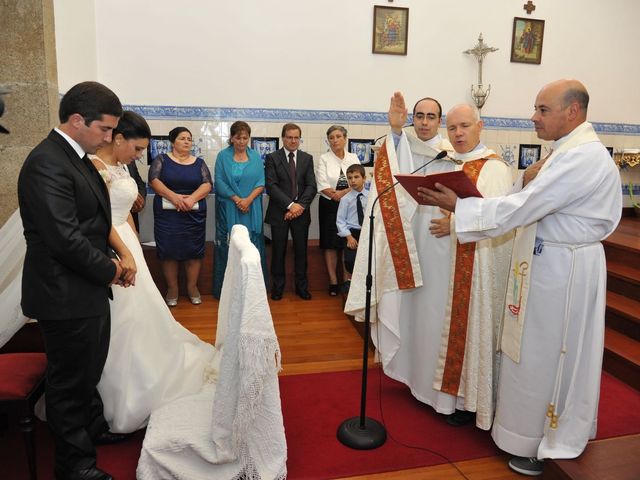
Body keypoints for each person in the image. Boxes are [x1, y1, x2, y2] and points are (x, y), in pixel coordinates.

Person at [417, 79, 622, 476]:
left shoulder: (583, 157)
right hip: (543, 263)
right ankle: (521, 431)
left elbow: (524, 208)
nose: (534, 117)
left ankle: (547, 439)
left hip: (565, 271)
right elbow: (523, 199)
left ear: (572, 112)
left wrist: (461, 210)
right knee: (527, 351)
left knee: (548, 354)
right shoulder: (565, 154)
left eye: (543, 110)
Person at [346, 95, 514, 431]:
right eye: (453, 127)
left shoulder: (493, 167)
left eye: (464, 126)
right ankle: (427, 388)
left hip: (470, 271)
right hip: (438, 266)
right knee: (433, 327)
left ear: (479, 127)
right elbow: (399, 167)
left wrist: (455, 223)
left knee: (459, 332)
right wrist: (395, 130)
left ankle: (462, 400)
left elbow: (499, 217)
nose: (458, 133)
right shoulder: (444, 158)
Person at [17, 81, 125, 480]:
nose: (110, 137)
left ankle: (92, 428)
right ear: (77, 120)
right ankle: (74, 466)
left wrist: (111, 261)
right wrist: (111, 268)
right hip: (63, 293)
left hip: (84, 288)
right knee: (68, 384)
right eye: (105, 129)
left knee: (88, 371)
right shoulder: (47, 161)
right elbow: (65, 238)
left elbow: (91, 223)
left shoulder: (76, 156)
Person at [89, 111, 216, 435]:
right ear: (118, 139)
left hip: (127, 241)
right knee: (121, 319)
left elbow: (125, 213)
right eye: (137, 148)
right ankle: (120, 392)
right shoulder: (93, 168)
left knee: (145, 314)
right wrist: (122, 252)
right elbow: (99, 219)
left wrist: (135, 250)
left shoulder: (120, 166)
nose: (140, 156)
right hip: (108, 245)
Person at [149, 126, 212, 306]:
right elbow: (154, 180)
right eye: (182, 138)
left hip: (194, 214)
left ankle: (192, 287)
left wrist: (191, 199)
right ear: (173, 141)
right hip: (167, 214)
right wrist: (175, 198)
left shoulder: (199, 163)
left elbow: (207, 184)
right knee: (169, 251)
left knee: (194, 251)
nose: (187, 142)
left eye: (189, 139)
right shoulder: (161, 160)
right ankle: (172, 288)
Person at [213, 120, 267, 298]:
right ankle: (228, 291)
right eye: (238, 138)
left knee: (252, 246)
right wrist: (238, 200)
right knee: (229, 246)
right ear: (232, 138)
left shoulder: (255, 157)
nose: (242, 141)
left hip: (251, 210)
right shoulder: (223, 156)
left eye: (245, 138)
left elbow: (261, 183)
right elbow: (219, 182)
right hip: (229, 208)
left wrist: (248, 200)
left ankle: (252, 290)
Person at [264, 123, 317, 301]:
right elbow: (271, 186)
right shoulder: (272, 157)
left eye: (296, 137)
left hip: (301, 213)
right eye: (289, 137)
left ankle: (301, 287)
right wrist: (290, 205)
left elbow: (311, 186)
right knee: (278, 251)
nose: (293, 141)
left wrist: (298, 206)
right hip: (279, 212)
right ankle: (278, 288)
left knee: (301, 251)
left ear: (299, 139)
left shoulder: (307, 158)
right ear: (283, 138)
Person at [316, 125, 360, 295]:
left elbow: (358, 181)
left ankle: (347, 281)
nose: (335, 140)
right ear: (328, 140)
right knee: (330, 244)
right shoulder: (324, 158)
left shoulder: (353, 157)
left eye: (338, 136)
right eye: (331, 138)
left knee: (348, 243)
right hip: (329, 206)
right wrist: (340, 193)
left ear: (345, 138)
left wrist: (342, 193)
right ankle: (333, 282)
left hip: (350, 205)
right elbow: (323, 185)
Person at [335, 163, 368, 293]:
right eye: (349, 178)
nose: (353, 180)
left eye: (356, 177)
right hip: (352, 234)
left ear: (364, 178)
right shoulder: (346, 199)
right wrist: (349, 237)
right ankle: (352, 284)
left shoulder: (370, 197)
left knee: (366, 261)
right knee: (350, 261)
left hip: (366, 232)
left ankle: (364, 288)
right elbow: (340, 220)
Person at [127, 159, 146, 232]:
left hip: (133, 214)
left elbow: (139, 182)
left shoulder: (130, 162)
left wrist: (141, 200)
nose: (139, 156)